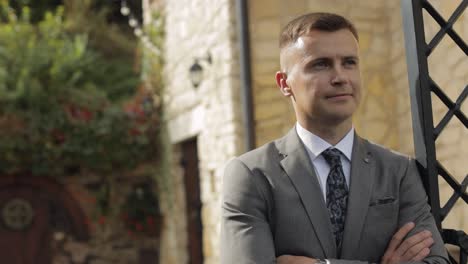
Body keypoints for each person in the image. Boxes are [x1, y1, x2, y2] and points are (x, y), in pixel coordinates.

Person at [221, 12, 449, 264]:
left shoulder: (399, 172)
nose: (340, 77)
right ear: (284, 83)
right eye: (321, 64)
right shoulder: (252, 175)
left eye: (349, 62)